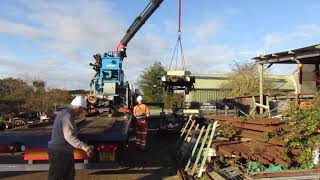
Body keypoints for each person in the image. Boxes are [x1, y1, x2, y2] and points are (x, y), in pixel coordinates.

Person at [48, 96, 93, 180]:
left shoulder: (64, 113)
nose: (82, 112)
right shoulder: (67, 116)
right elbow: (69, 136)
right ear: (79, 107)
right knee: (56, 177)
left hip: (63, 151)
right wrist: (85, 147)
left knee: (68, 176)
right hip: (60, 153)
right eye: (83, 109)